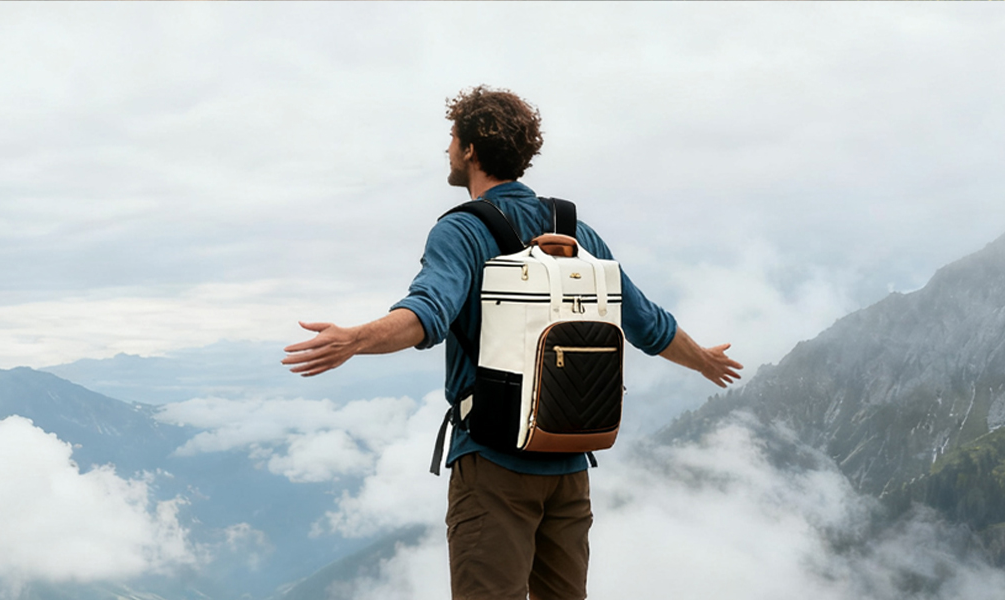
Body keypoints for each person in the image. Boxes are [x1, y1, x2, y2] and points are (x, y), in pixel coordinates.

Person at [282, 85, 744, 600]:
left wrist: (355, 339)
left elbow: (428, 312)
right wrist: (702, 360)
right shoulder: (577, 233)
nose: (448, 151)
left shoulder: (461, 231)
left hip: (495, 463)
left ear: (472, 148)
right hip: (570, 462)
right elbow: (645, 322)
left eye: (452, 140)